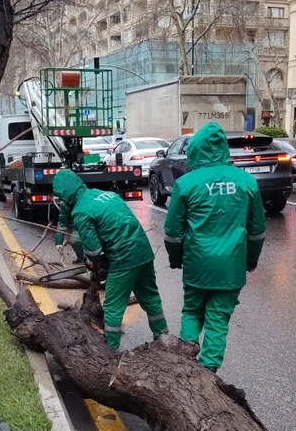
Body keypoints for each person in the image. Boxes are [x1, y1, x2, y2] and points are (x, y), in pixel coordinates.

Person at [164, 121, 266, 371]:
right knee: (218, 321)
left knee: (192, 312)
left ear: (196, 150)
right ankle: (208, 370)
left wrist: (176, 259)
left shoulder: (186, 184)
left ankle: (185, 363)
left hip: (197, 266)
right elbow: (257, 232)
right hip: (231, 268)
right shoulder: (246, 182)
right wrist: (250, 260)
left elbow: (173, 233)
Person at [52, 170, 168, 349]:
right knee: (150, 297)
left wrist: (94, 266)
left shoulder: (81, 211)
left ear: (65, 196)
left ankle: (109, 351)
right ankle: (164, 339)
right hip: (143, 251)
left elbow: (93, 250)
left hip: (123, 258)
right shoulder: (105, 194)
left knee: (113, 307)